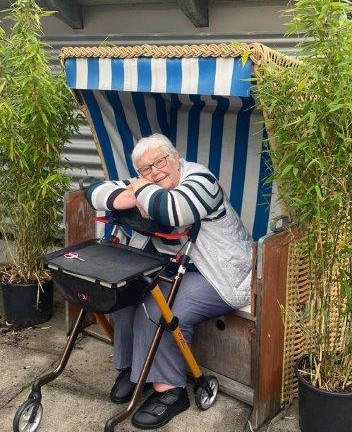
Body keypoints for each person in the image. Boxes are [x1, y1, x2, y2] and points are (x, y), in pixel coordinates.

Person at [85, 133, 252, 429]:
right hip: (179, 268)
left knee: (159, 310)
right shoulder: (149, 182)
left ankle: (170, 389)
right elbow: (94, 192)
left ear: (175, 158)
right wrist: (134, 190)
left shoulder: (202, 180)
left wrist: (137, 188)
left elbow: (173, 209)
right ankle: (134, 369)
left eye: (159, 162)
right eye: (145, 169)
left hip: (222, 273)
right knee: (126, 297)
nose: (154, 172)